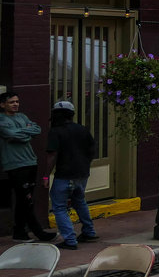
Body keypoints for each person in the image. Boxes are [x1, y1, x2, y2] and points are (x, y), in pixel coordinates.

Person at [0, 92, 56, 242]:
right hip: (15, 165)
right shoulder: (2, 119)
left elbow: (37, 129)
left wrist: (24, 132)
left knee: (23, 200)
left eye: (17, 101)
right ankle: (39, 232)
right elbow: (10, 134)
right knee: (26, 199)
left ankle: (19, 233)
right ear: (3, 105)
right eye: (11, 102)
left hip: (31, 162)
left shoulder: (22, 117)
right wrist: (27, 132)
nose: (15, 104)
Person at [46, 100, 98, 250]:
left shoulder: (55, 131)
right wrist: (85, 165)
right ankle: (89, 231)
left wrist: (45, 176)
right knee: (80, 201)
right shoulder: (82, 129)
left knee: (59, 207)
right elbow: (92, 150)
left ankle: (70, 239)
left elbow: (51, 156)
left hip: (64, 175)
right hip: (82, 174)